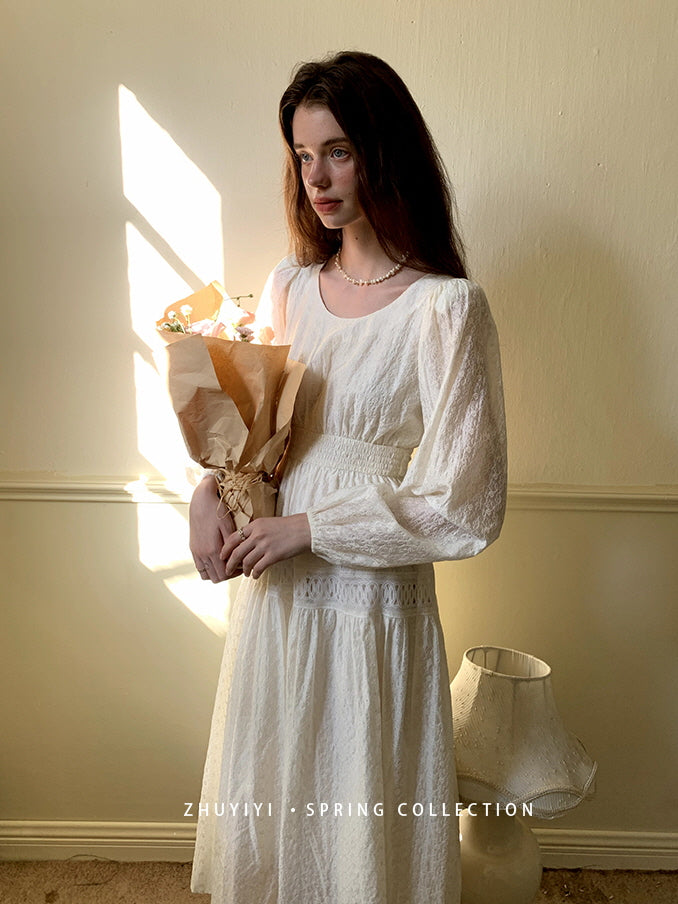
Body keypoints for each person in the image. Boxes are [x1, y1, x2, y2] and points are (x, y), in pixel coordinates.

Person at [189, 51, 507, 904]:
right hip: (281, 595)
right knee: (279, 787)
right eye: (301, 155)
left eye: (338, 151)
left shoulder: (446, 308)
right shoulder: (289, 286)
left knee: (361, 811)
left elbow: (465, 502)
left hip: (371, 604)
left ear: (382, 150)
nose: (317, 178)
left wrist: (311, 529)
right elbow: (261, 443)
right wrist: (209, 494)